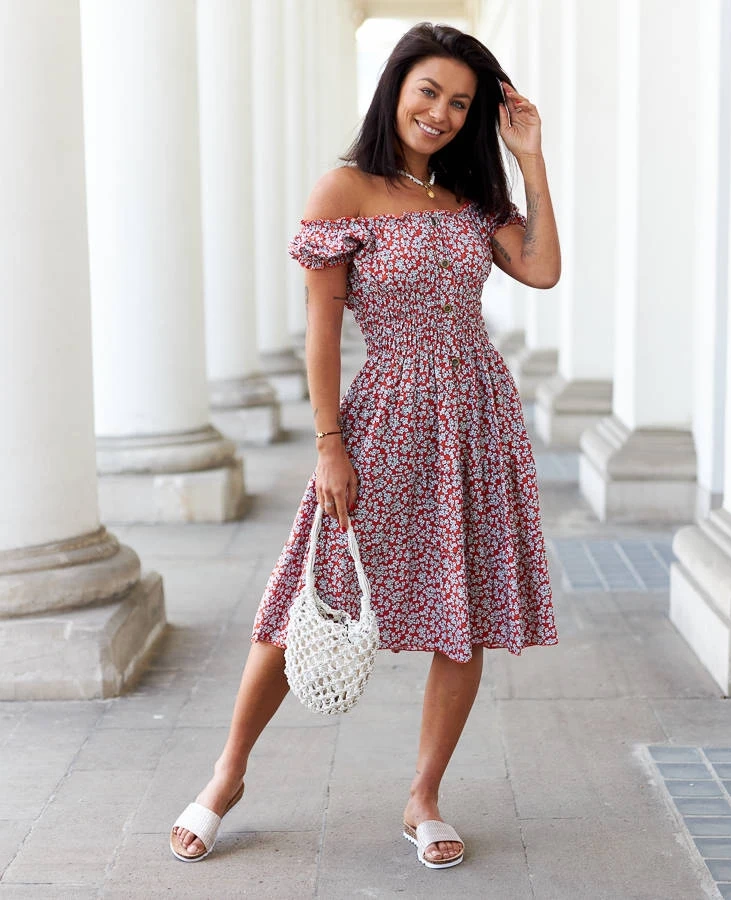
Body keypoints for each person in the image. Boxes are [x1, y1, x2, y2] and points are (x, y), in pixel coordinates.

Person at [171, 21, 560, 870]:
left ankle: (424, 796)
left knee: (466, 609)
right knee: (308, 592)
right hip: (383, 413)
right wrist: (329, 445)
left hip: (477, 417)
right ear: (396, 89)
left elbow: (540, 270)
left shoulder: (472, 195)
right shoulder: (343, 188)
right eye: (430, 92)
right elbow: (322, 332)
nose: (442, 113)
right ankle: (228, 773)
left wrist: (529, 158)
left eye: (461, 102)